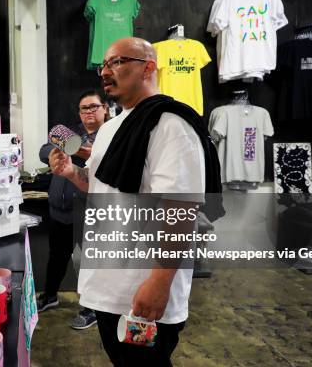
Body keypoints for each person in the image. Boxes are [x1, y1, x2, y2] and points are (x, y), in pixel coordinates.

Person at [48, 37, 221, 365]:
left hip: (141, 290)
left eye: (117, 62)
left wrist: (159, 281)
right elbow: (98, 187)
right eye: (104, 65)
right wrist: (72, 172)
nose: (106, 72)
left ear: (149, 67)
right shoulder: (113, 128)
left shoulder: (171, 125)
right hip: (109, 285)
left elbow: (181, 210)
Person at [37, 90, 108, 330]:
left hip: (90, 211)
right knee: (57, 257)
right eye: (83, 108)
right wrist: (53, 154)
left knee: (92, 263)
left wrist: (84, 153)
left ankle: (92, 309)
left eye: (93, 106)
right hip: (60, 209)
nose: (88, 111)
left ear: (105, 108)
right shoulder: (71, 132)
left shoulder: (111, 136)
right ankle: (50, 296)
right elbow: (44, 149)